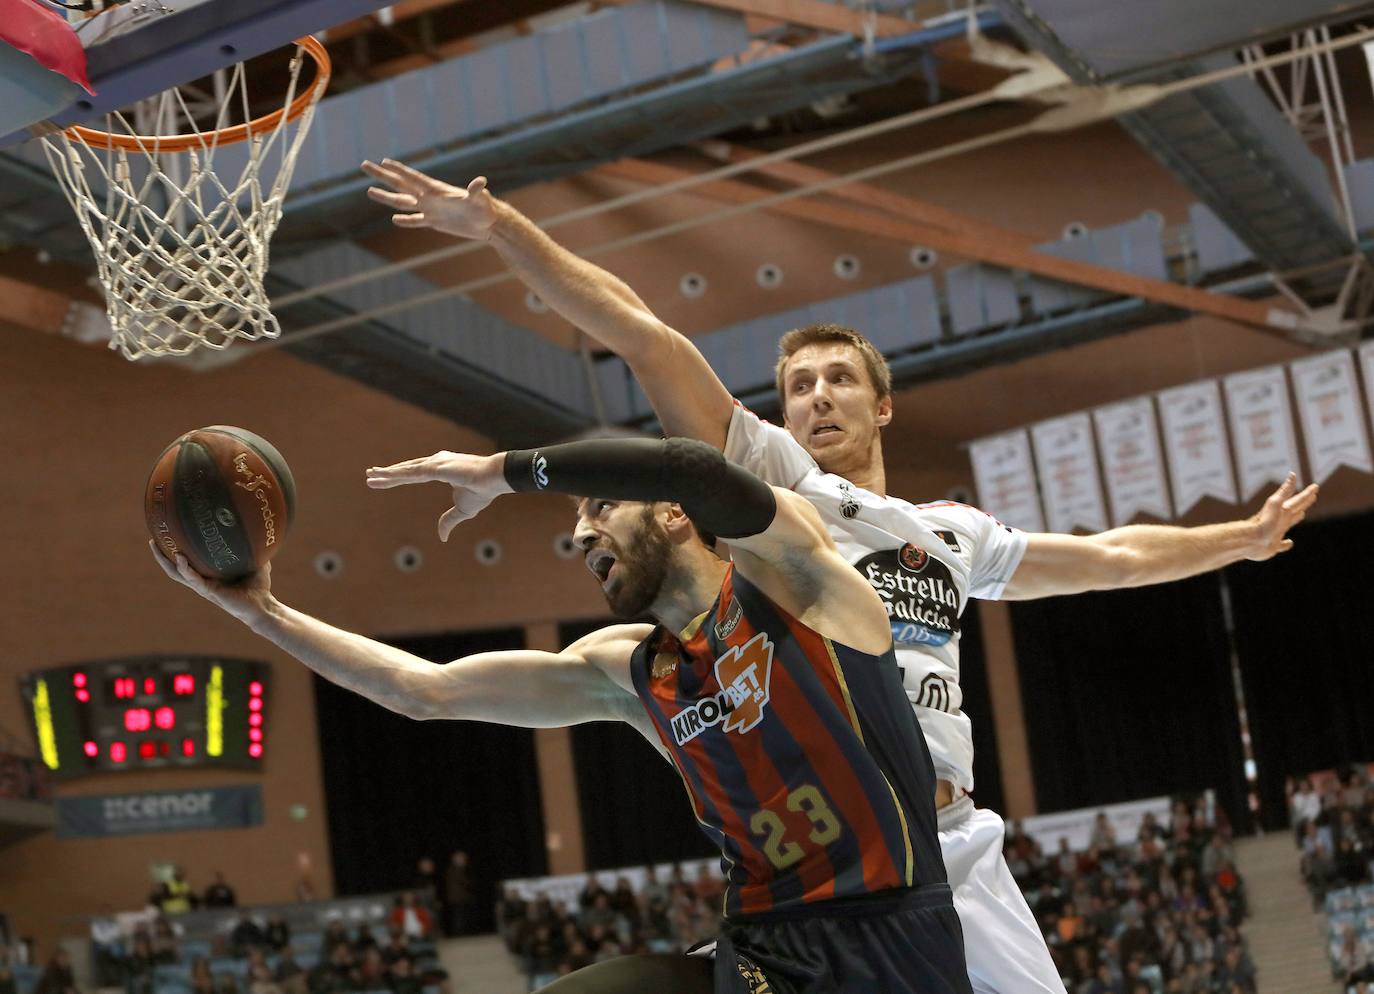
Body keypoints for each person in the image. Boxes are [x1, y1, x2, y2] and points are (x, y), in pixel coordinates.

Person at [359, 158, 1322, 994]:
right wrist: (500, 231)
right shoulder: (778, 483)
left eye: (838, 379)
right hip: (830, 854)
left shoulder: (952, 534)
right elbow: (648, 338)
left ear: (883, 404)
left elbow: (1110, 558)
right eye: (798, 386)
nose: (816, 396)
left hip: (948, 844)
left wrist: (1233, 542)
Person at [154, 432, 974, 993]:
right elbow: (421, 690)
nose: (581, 534)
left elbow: (690, 462)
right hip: (765, 945)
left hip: (888, 938)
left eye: (598, 509)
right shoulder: (631, 669)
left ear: (672, 512)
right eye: (576, 524)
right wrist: (262, 613)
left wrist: (507, 471)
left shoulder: (800, 584)